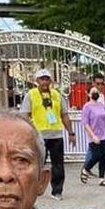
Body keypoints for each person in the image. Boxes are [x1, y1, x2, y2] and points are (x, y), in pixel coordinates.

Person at [19, 67, 75, 200]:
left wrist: (71, 133)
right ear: (37, 81)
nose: (44, 82)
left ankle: (57, 190)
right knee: (36, 163)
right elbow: (24, 115)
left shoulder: (56, 95)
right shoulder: (31, 94)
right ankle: (34, 188)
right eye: (42, 79)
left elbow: (64, 115)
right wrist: (28, 132)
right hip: (39, 136)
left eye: (47, 79)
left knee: (58, 164)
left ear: (50, 81)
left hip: (56, 135)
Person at [80, 87, 105, 187]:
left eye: (97, 92)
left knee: (103, 157)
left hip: (104, 135)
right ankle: (86, 169)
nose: (95, 93)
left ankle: (101, 179)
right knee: (97, 155)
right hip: (94, 135)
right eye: (93, 92)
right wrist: (92, 136)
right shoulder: (87, 107)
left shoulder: (101, 105)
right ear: (89, 94)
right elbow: (85, 123)